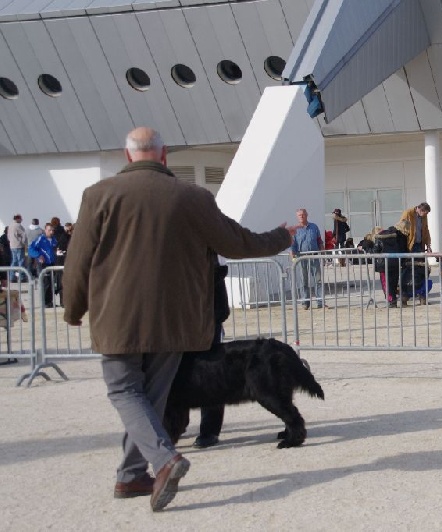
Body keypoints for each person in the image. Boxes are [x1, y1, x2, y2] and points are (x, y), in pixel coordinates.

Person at [61, 127, 297, 512]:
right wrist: (282, 237)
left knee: (125, 392)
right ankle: (130, 475)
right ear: (164, 155)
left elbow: (78, 262)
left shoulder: (98, 196)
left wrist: (73, 309)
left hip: (118, 319)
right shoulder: (192, 197)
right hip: (176, 322)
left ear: (127, 155)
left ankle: (164, 460)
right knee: (151, 397)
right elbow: (238, 243)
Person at [192, 256, 230, 449]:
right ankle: (174, 425)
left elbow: (221, 267)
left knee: (210, 375)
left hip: (209, 314)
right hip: (179, 316)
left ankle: (209, 429)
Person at [290, 208, 325, 310]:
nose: (301, 216)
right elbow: (292, 244)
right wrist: (292, 254)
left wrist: (322, 250)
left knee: (318, 280)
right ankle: (305, 302)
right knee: (304, 281)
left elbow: (319, 240)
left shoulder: (314, 227)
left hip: (314, 256)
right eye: (299, 215)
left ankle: (320, 302)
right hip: (302, 258)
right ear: (297, 217)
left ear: (307, 215)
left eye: (303, 214)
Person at [373, 220, 409, 307]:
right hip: (396, 262)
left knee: (386, 283)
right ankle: (393, 301)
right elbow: (404, 250)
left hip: (384, 263)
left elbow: (376, 250)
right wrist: (403, 262)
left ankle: (391, 300)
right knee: (393, 282)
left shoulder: (383, 235)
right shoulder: (402, 236)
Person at [28, 223, 58, 307]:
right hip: (43, 264)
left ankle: (50, 301)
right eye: (49, 230)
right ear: (45, 230)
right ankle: (45, 302)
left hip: (51, 263)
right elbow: (31, 249)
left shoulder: (54, 240)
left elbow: (54, 249)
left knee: (51, 283)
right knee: (46, 282)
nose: (51, 232)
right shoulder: (40, 239)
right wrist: (38, 255)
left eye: (52, 230)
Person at [7, 214, 27, 282]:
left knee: (14, 261)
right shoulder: (18, 226)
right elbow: (23, 235)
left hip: (12, 245)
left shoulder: (10, 226)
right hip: (19, 245)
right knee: (21, 261)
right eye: (21, 218)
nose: (22, 220)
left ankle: (12, 277)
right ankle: (22, 277)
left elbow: (8, 236)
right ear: (18, 219)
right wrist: (23, 243)